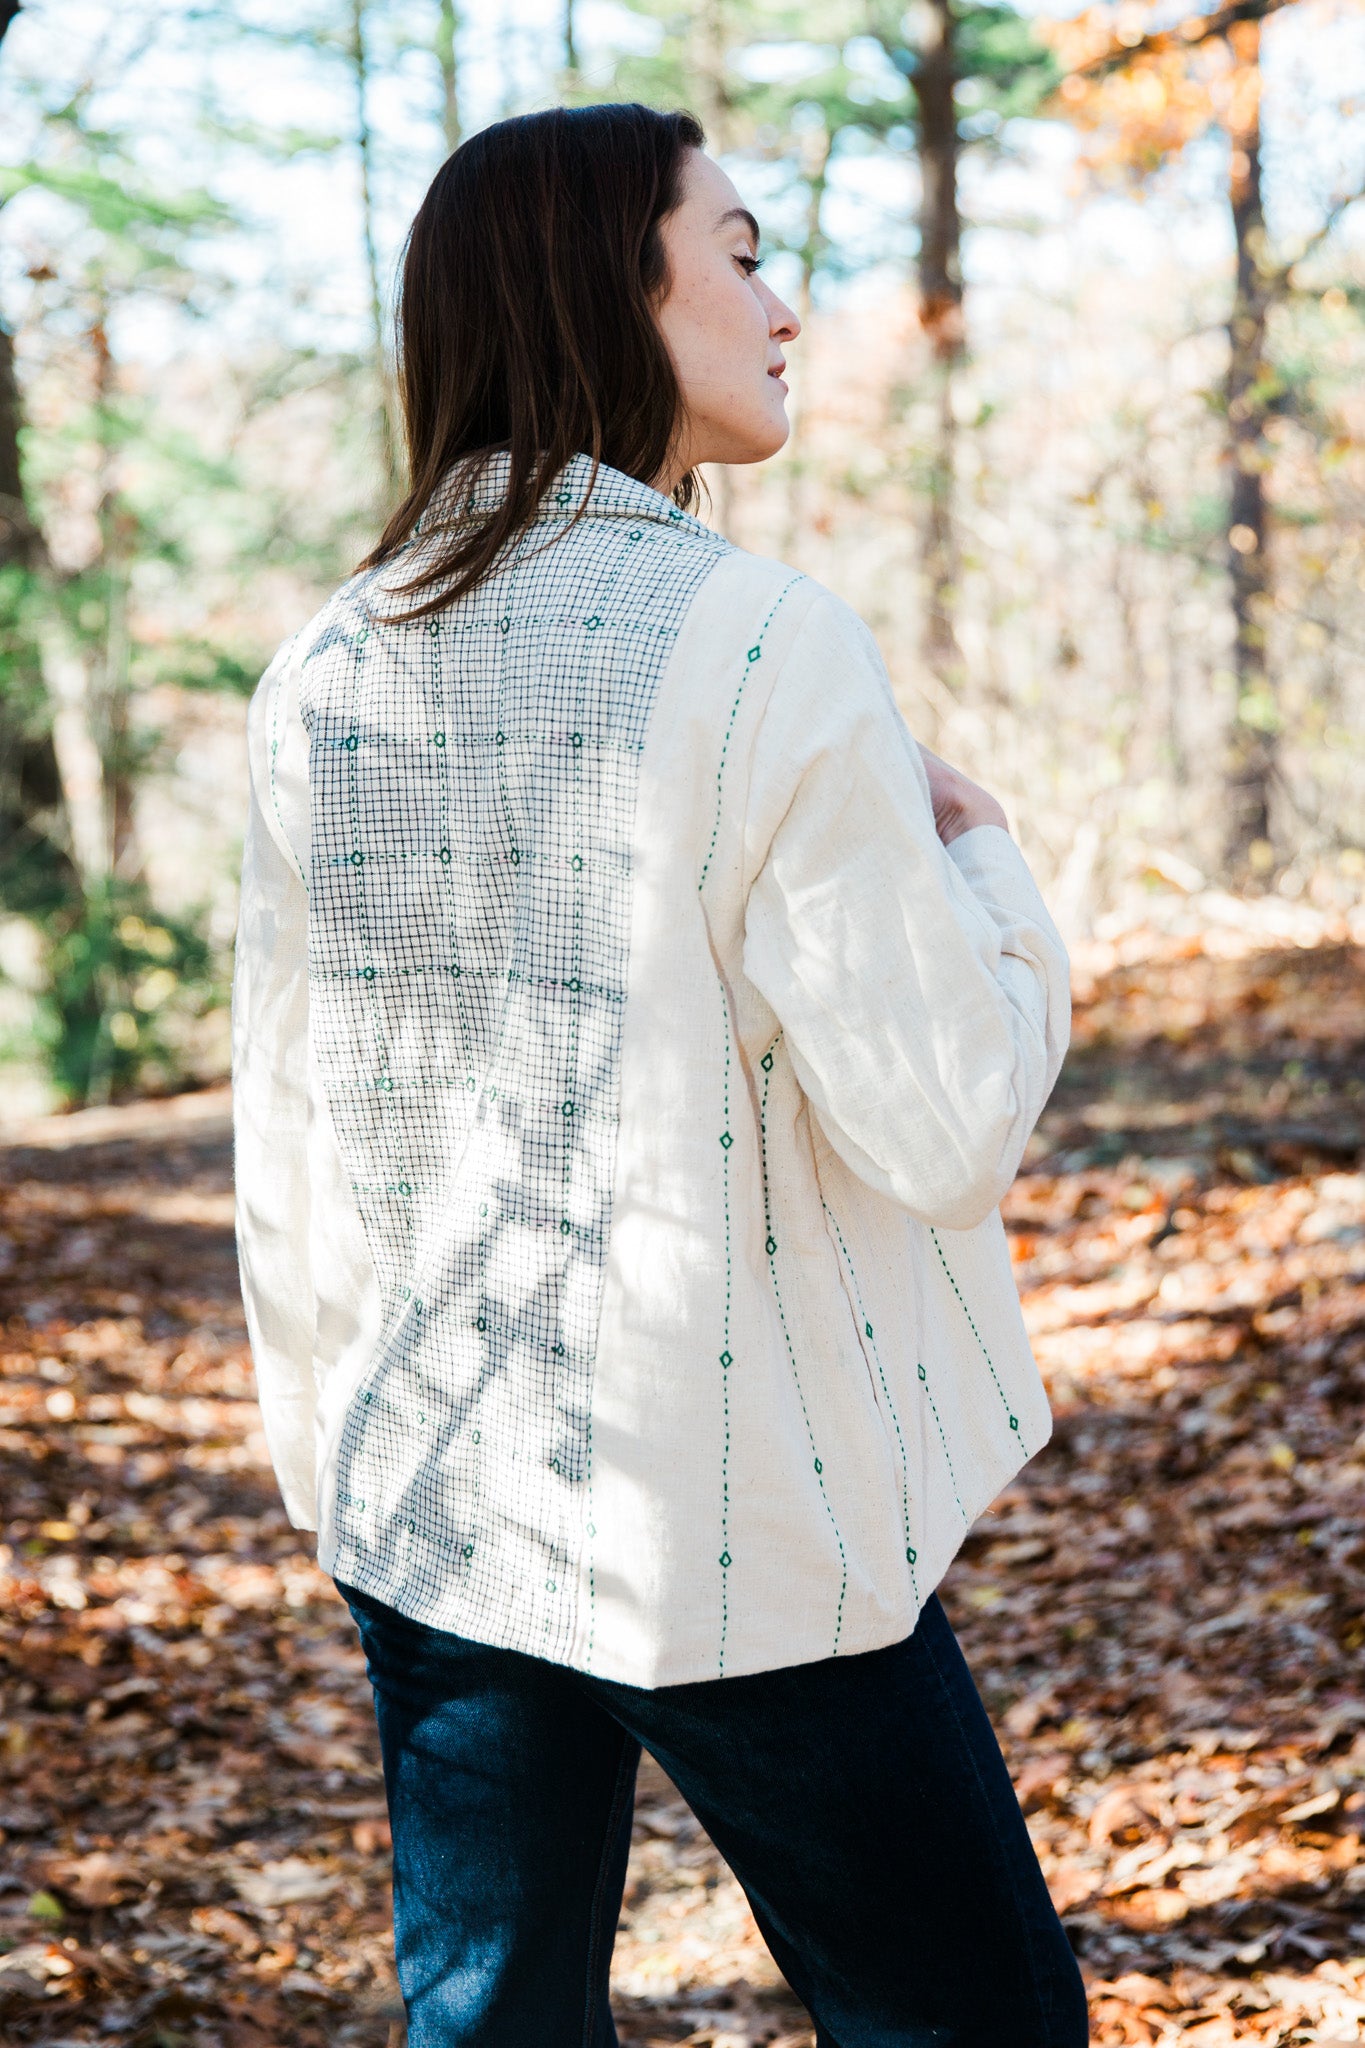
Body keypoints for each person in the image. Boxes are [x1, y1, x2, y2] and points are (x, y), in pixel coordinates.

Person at [232, 100, 1088, 2048]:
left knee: (495, 2026)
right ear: (609, 290)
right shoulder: (761, 643)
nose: (782, 304)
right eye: (743, 248)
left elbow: (287, 1126)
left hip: (424, 1487)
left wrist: (338, 1469)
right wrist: (988, 866)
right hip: (736, 1518)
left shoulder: (324, 667)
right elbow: (945, 1120)